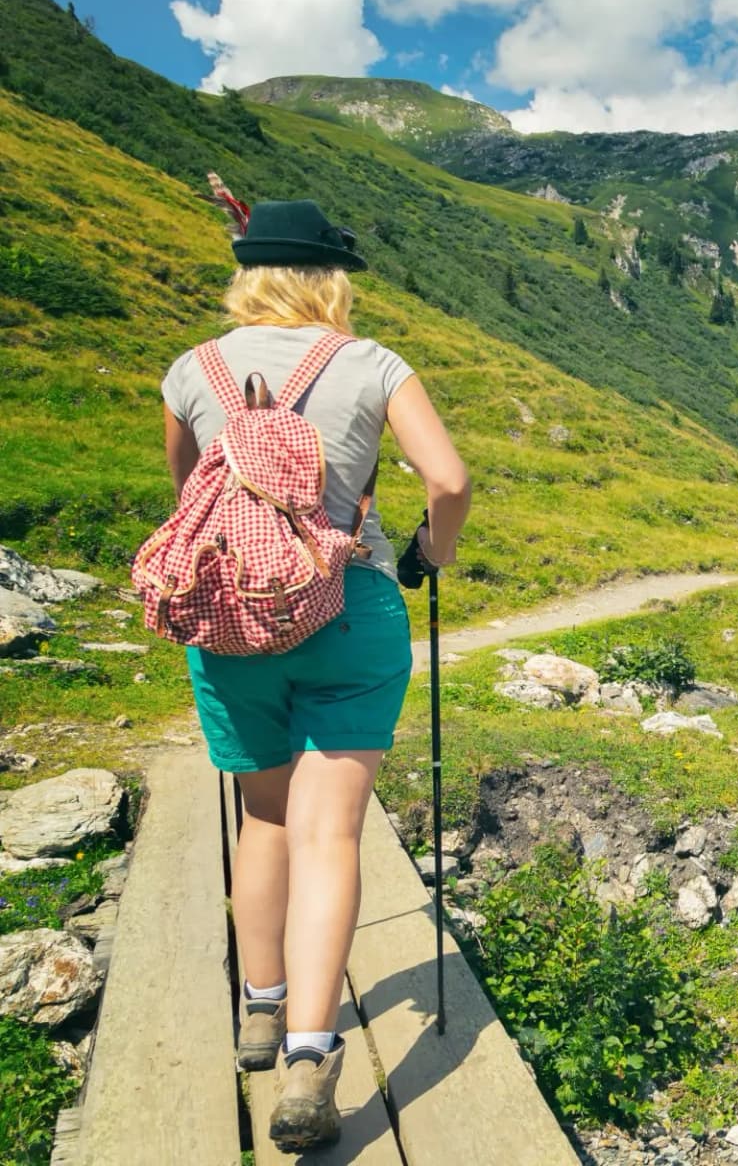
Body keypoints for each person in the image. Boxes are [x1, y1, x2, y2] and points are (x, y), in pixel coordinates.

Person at [159, 200, 470, 1150]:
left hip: (233, 617)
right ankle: (308, 1053)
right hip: (350, 605)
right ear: (331, 278)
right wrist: (427, 555)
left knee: (262, 816)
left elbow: (186, 495)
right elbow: (449, 482)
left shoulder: (192, 370)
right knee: (328, 832)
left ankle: (260, 1010)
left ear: (247, 273)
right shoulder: (371, 364)